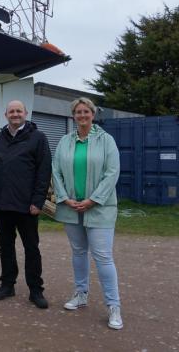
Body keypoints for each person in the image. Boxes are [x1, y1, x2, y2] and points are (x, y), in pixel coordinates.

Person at [52, 97, 123, 330]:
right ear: (73, 115)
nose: (82, 115)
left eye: (86, 111)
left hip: (99, 207)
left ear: (93, 114)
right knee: (78, 252)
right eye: (78, 112)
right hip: (71, 207)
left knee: (103, 256)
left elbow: (112, 173)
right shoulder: (65, 141)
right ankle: (81, 294)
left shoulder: (106, 140)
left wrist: (93, 200)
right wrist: (65, 198)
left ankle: (113, 306)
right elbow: (56, 172)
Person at [0, 100, 52, 309]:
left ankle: (36, 290)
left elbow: (44, 172)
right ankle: (7, 284)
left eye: (18, 111)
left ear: (25, 113)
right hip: (2, 204)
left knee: (31, 248)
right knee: (6, 247)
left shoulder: (38, 138)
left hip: (27, 206)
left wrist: (38, 201)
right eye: (11, 111)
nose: (15, 114)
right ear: (6, 115)